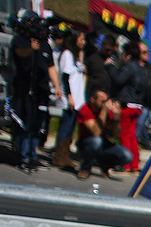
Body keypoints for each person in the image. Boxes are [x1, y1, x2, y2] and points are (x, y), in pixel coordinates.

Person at [9, 11, 62, 172]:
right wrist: (30, 49)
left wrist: (57, 86)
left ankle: (32, 155)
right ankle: (23, 156)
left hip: (41, 90)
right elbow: (19, 53)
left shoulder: (45, 44)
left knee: (37, 124)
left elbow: (50, 66)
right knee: (24, 122)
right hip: (24, 89)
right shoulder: (20, 40)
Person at [75, 88, 132, 180]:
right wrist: (104, 112)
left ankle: (106, 165)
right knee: (96, 141)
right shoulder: (85, 109)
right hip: (86, 142)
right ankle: (85, 169)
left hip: (103, 142)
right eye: (102, 101)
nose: (105, 104)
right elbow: (96, 132)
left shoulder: (107, 111)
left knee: (127, 156)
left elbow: (116, 134)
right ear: (93, 99)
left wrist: (116, 118)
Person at [110, 41, 148, 173]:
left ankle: (126, 164)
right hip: (138, 106)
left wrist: (111, 68)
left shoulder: (129, 67)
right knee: (132, 137)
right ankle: (135, 164)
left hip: (128, 105)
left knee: (124, 135)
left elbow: (118, 80)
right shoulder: (142, 69)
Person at [54, 30, 86, 171]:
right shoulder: (67, 54)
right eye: (81, 39)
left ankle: (65, 155)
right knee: (66, 127)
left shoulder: (76, 55)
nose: (83, 42)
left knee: (70, 128)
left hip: (77, 99)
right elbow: (66, 78)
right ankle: (60, 156)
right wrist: (70, 96)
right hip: (70, 99)